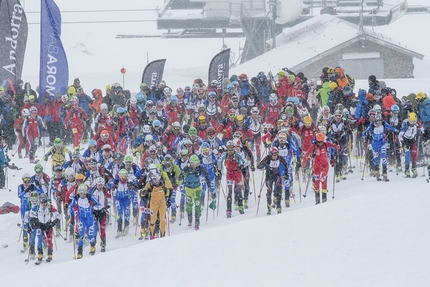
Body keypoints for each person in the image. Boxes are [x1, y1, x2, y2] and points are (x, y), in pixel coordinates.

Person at [302, 132, 339, 204]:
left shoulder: (326, 144)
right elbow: (307, 154)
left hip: (324, 166)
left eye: (321, 142)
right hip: (316, 166)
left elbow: (335, 147)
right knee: (317, 182)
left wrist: (336, 144)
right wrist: (306, 160)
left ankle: (324, 199)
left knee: (323, 180)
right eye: (318, 142)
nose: (320, 143)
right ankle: (317, 200)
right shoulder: (313, 146)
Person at [69, 184, 101, 259]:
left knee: (90, 235)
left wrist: (93, 206)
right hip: (81, 218)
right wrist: (73, 217)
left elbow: (99, 205)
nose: (82, 195)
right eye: (81, 193)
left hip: (89, 218)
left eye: (84, 193)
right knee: (81, 235)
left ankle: (92, 246)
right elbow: (71, 208)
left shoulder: (90, 197)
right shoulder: (76, 198)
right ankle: (79, 252)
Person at [179, 154, 211, 229]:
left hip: (197, 188)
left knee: (197, 205)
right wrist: (182, 176)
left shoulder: (199, 168)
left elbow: (206, 174)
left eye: (196, 164)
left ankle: (197, 221)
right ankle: (190, 220)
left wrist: (208, 184)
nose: (194, 166)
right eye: (192, 164)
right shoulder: (186, 168)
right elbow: (180, 177)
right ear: (190, 163)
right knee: (189, 206)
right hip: (189, 188)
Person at [140, 167, 172, 239]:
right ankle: (152, 235)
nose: (156, 181)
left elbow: (170, 188)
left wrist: (169, 199)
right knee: (153, 220)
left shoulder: (163, 183)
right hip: (153, 204)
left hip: (162, 203)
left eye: (157, 178)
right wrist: (145, 194)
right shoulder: (149, 184)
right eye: (154, 179)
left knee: (162, 220)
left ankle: (163, 236)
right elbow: (142, 193)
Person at [29, 193, 60, 263]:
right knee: (41, 239)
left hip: (48, 225)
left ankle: (50, 254)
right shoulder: (36, 207)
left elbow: (58, 215)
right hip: (40, 225)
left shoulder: (50, 207)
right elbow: (31, 214)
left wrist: (53, 223)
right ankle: (40, 254)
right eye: (42, 202)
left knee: (49, 240)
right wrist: (34, 221)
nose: (44, 204)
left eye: (45, 202)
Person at [257, 147, 288, 214]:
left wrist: (286, 174)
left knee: (278, 191)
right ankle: (269, 208)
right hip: (269, 176)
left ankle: (279, 207)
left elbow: (286, 164)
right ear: (271, 154)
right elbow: (259, 166)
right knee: (269, 192)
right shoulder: (267, 158)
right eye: (273, 154)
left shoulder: (280, 158)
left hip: (277, 175)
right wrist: (266, 165)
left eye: (276, 154)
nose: (275, 156)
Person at [17, 173, 44, 253]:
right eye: (25, 181)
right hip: (23, 208)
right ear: (23, 181)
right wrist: (26, 190)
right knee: (25, 224)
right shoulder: (21, 187)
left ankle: (32, 244)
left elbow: (41, 192)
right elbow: (19, 195)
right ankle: (25, 244)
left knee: (31, 225)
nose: (27, 183)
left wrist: (38, 186)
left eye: (28, 181)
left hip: (31, 207)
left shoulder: (32, 186)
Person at [89, 177, 111, 252]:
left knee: (102, 229)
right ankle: (92, 245)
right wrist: (91, 205)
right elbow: (88, 199)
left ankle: (103, 244)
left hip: (102, 212)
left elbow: (109, 200)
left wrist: (106, 207)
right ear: (96, 184)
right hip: (94, 212)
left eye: (101, 185)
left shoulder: (105, 191)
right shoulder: (92, 190)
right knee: (94, 229)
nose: (100, 186)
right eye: (99, 185)